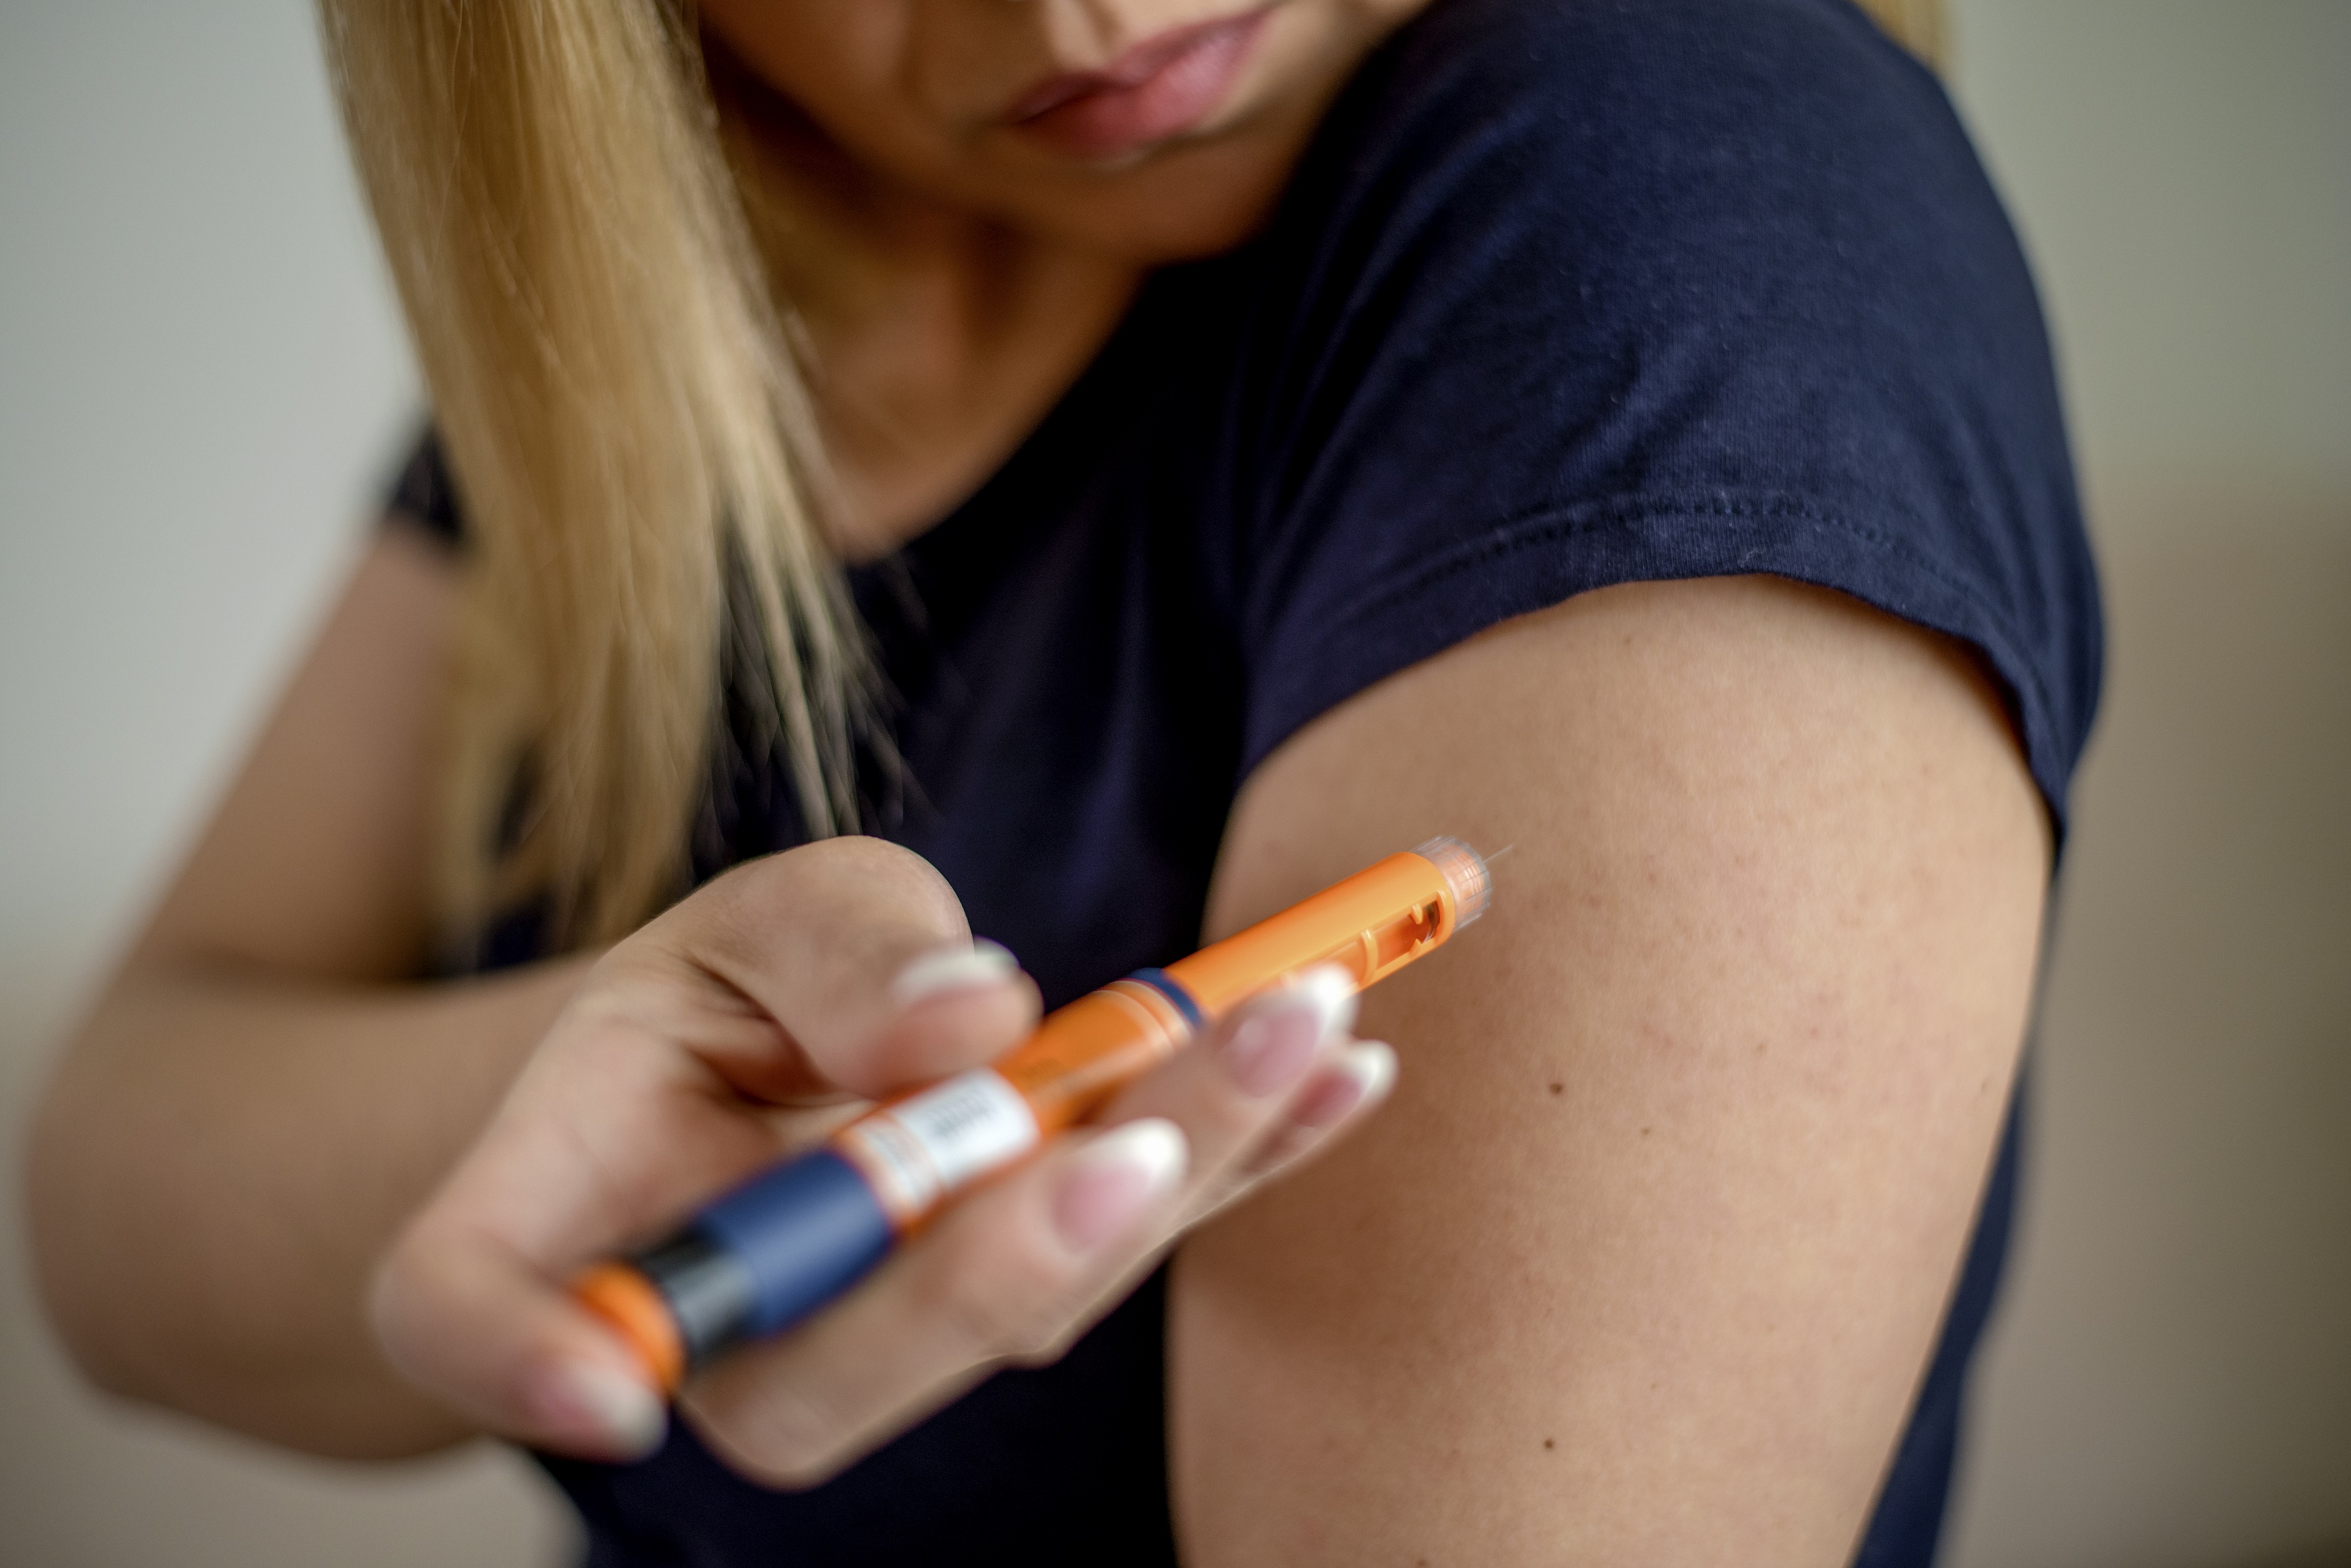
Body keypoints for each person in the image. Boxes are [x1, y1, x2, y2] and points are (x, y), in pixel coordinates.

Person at [26, 0, 2100, 1562]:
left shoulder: (1658, 205)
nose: (1084, 11)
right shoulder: (695, 299)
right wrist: (603, 1088)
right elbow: (110, 1207)